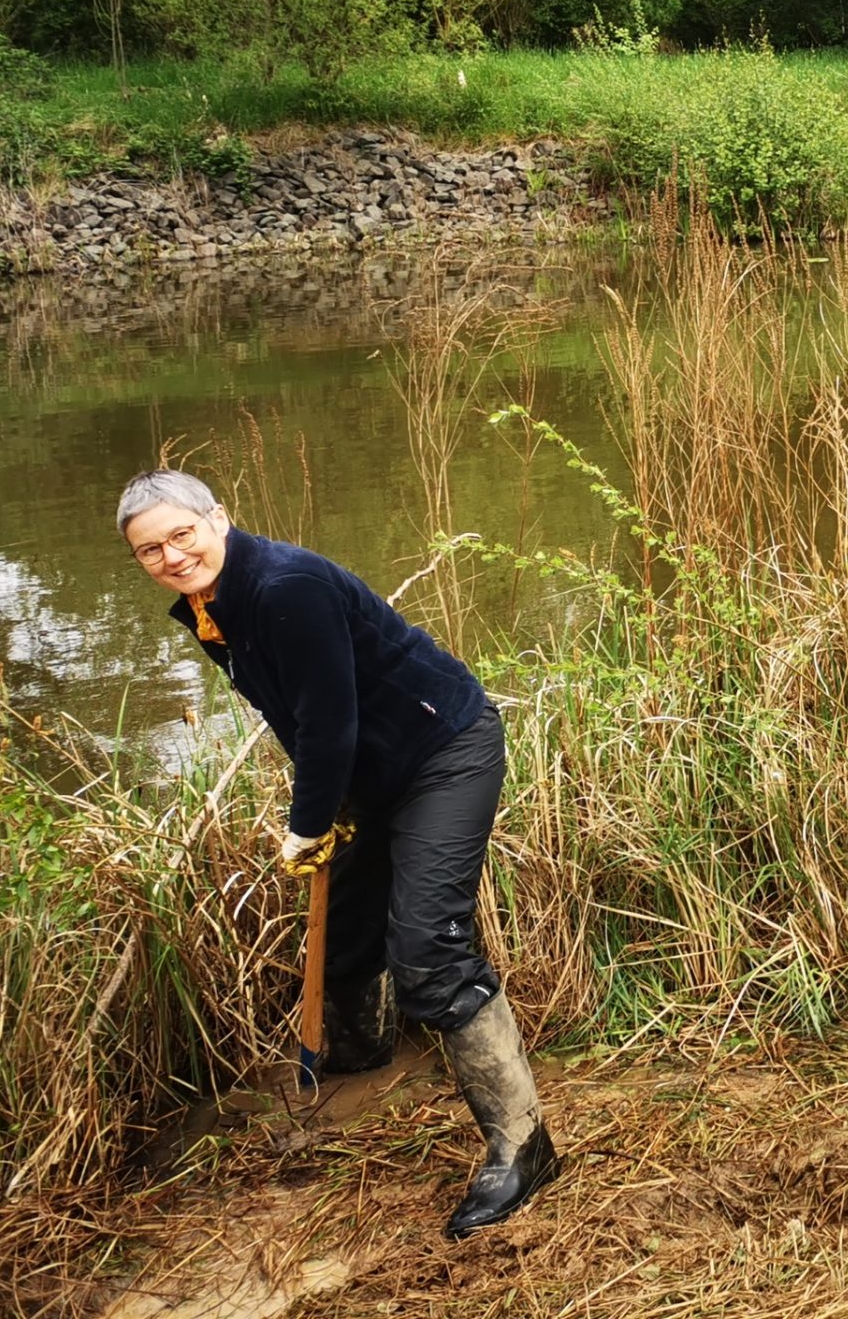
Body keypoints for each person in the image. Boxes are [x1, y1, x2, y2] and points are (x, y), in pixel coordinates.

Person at [115, 470, 553, 1240]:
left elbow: (328, 722)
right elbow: (291, 710)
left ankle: (523, 1146)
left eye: (182, 533)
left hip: (443, 750)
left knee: (428, 946)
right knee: (347, 927)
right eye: (151, 550)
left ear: (218, 518)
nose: (173, 556)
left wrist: (307, 821)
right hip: (370, 770)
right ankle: (356, 1060)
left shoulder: (287, 587)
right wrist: (334, 808)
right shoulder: (206, 608)